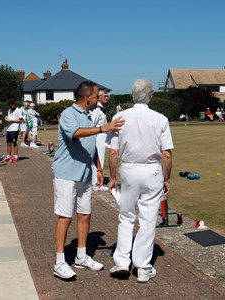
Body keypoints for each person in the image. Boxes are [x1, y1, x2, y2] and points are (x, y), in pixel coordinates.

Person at [52, 81, 124, 280]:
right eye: (96, 95)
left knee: (85, 215)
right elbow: (75, 133)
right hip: (66, 174)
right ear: (88, 97)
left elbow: (89, 145)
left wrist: (99, 168)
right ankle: (59, 262)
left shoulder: (89, 116)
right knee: (65, 217)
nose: (98, 98)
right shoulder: (69, 114)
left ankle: (81, 257)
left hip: (85, 174)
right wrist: (103, 128)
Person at [106, 79, 174, 283]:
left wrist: (113, 177)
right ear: (150, 96)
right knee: (148, 219)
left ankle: (121, 262)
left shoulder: (119, 116)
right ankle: (142, 266)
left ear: (132, 95)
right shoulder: (160, 119)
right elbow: (167, 154)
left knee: (126, 216)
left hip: (128, 169)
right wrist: (168, 178)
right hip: (151, 170)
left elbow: (113, 152)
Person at [90, 89, 109, 189]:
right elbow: (91, 125)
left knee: (100, 158)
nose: (107, 97)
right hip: (98, 137)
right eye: (105, 96)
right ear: (99, 97)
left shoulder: (100, 109)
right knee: (99, 159)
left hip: (102, 136)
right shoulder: (97, 110)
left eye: (107, 96)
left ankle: (97, 181)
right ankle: (97, 183)